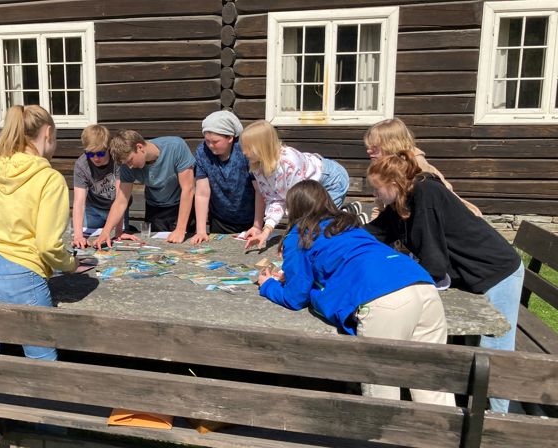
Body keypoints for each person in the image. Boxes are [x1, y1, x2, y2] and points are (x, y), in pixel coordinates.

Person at [257, 180, 455, 406]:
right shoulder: (348, 226)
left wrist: (268, 285)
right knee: (431, 383)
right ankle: (443, 427)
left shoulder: (300, 234)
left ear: (294, 209)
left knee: (382, 389)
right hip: (421, 284)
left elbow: (295, 298)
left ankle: (384, 429)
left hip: (381, 297)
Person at [365, 150, 523, 413]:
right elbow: (374, 231)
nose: (375, 195)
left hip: (497, 272)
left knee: (495, 349)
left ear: (393, 184)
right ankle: (476, 406)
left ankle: (498, 418)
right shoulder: (400, 204)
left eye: (377, 189)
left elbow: (434, 262)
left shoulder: (426, 196)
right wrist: (335, 234)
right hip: (472, 275)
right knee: (477, 345)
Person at [0, 105, 76, 360]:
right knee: (41, 362)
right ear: (48, 133)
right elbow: (47, 245)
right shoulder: (50, 179)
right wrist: (70, 264)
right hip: (22, 274)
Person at [240, 120, 350, 250]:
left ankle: (345, 219)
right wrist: (266, 231)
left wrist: (289, 239)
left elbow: (299, 205)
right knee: (311, 230)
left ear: (261, 147)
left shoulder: (289, 163)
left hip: (331, 181)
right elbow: (275, 200)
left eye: (247, 147)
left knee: (321, 227)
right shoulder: (258, 167)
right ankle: (345, 213)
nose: (244, 152)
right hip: (309, 190)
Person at [94, 130, 195, 247]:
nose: (130, 166)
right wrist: (106, 232)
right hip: (155, 208)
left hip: (182, 206)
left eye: (130, 160)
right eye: (126, 163)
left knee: (184, 247)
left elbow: (188, 189)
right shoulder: (126, 166)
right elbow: (121, 200)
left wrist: (180, 229)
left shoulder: (176, 147)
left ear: (139, 147)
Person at [364, 118, 481, 216]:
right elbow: (380, 206)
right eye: (368, 147)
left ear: (391, 145)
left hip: (453, 220)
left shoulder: (418, 167)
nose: (369, 151)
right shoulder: (383, 168)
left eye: (375, 147)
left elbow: (437, 205)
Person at [190, 111, 263, 244]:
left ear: (230, 138)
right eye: (207, 141)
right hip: (220, 220)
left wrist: (257, 226)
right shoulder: (202, 152)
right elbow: (202, 193)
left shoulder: (245, 151)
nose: (210, 145)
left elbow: (259, 190)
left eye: (215, 141)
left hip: (251, 220)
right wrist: (200, 230)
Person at [71, 124, 128, 248]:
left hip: (116, 209)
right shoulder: (81, 164)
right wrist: (78, 236)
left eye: (100, 153)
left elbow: (120, 198)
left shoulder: (117, 160)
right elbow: (79, 203)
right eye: (90, 154)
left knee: (117, 242)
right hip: (93, 209)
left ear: (108, 148)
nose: (96, 158)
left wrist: (118, 232)